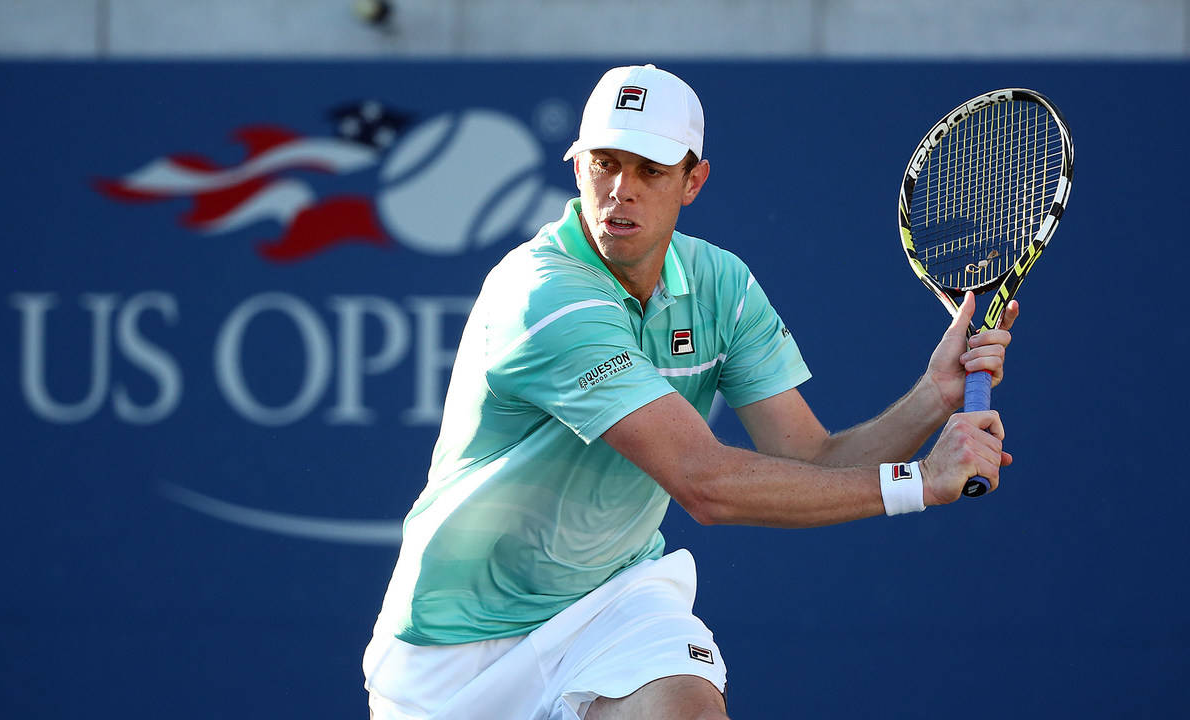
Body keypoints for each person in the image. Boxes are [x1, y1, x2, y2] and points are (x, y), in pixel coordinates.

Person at [363, 64, 1016, 720]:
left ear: (692, 181)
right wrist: (921, 481)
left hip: (611, 599)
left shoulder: (721, 287)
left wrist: (934, 394)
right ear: (577, 168)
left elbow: (810, 461)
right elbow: (704, 484)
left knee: (686, 707)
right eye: (605, 164)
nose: (622, 191)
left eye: (650, 170)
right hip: (453, 648)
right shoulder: (544, 296)